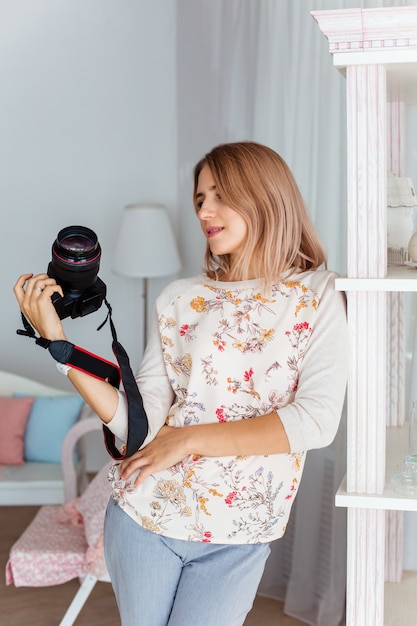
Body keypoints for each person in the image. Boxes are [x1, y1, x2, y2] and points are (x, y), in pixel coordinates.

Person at [14, 141, 348, 626]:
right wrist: (56, 341)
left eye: (219, 195)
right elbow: (139, 427)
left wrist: (188, 439)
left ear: (265, 194)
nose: (204, 211)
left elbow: (316, 422)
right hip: (145, 515)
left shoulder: (319, 294)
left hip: (242, 532)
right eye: (199, 199)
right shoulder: (179, 299)